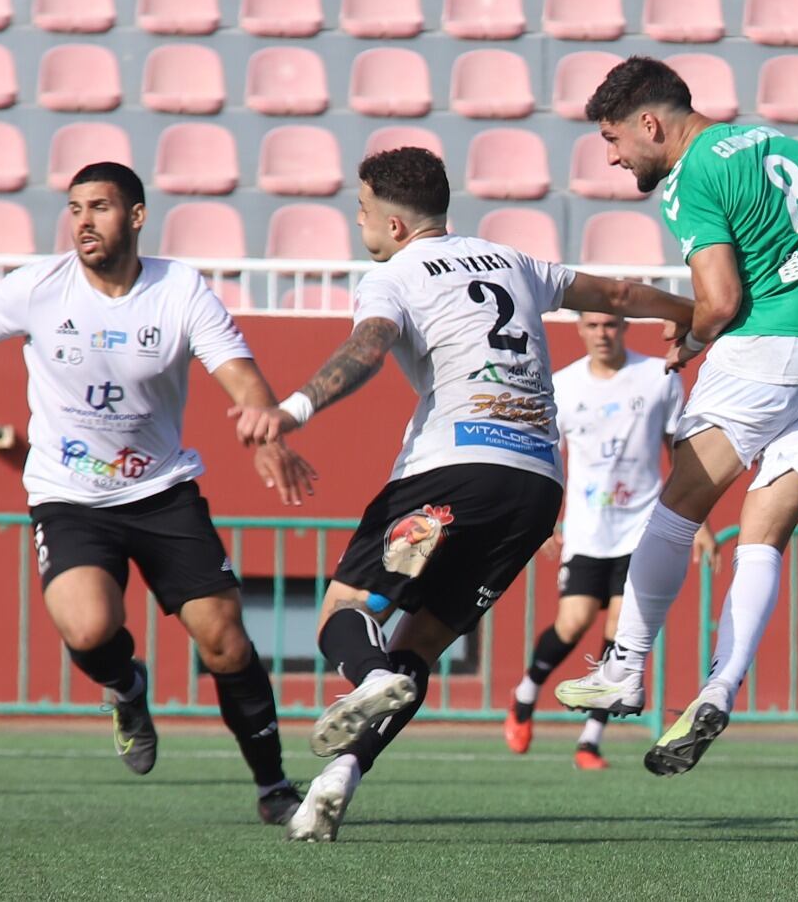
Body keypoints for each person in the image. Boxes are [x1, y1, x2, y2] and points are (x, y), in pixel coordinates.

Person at [231, 147, 698, 841]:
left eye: (361, 209)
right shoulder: (512, 261)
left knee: (345, 612)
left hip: (451, 469)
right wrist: (688, 310)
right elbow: (621, 298)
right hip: (536, 489)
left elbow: (368, 346)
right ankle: (338, 779)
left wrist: (294, 408)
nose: (358, 219)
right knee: (417, 649)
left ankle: (364, 678)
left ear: (391, 225)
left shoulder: (395, 275)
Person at [0, 162, 316, 824]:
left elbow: (241, 376)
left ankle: (275, 787)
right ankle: (126, 687)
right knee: (89, 626)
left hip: (162, 491)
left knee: (225, 642)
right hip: (68, 495)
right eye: (74, 207)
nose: (83, 220)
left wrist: (270, 435)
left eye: (100, 207)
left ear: (135, 216)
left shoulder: (180, 289)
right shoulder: (41, 287)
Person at [553, 55, 798, 776]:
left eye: (615, 141)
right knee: (762, 537)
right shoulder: (797, 150)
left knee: (678, 507)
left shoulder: (694, 178)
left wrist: (691, 337)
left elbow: (717, 302)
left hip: (762, 356)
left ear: (651, 123)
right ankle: (719, 687)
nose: (616, 159)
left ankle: (625, 669)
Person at [503, 311, 715, 769]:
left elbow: (681, 451)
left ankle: (590, 738)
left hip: (642, 527)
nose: (603, 333)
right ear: (579, 329)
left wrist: (699, 523)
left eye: (611, 324)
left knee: (620, 631)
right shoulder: (563, 385)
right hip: (586, 529)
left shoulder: (657, 377)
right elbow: (543, 456)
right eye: (593, 325)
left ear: (625, 327)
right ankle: (525, 695)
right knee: (573, 623)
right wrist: (540, 519)